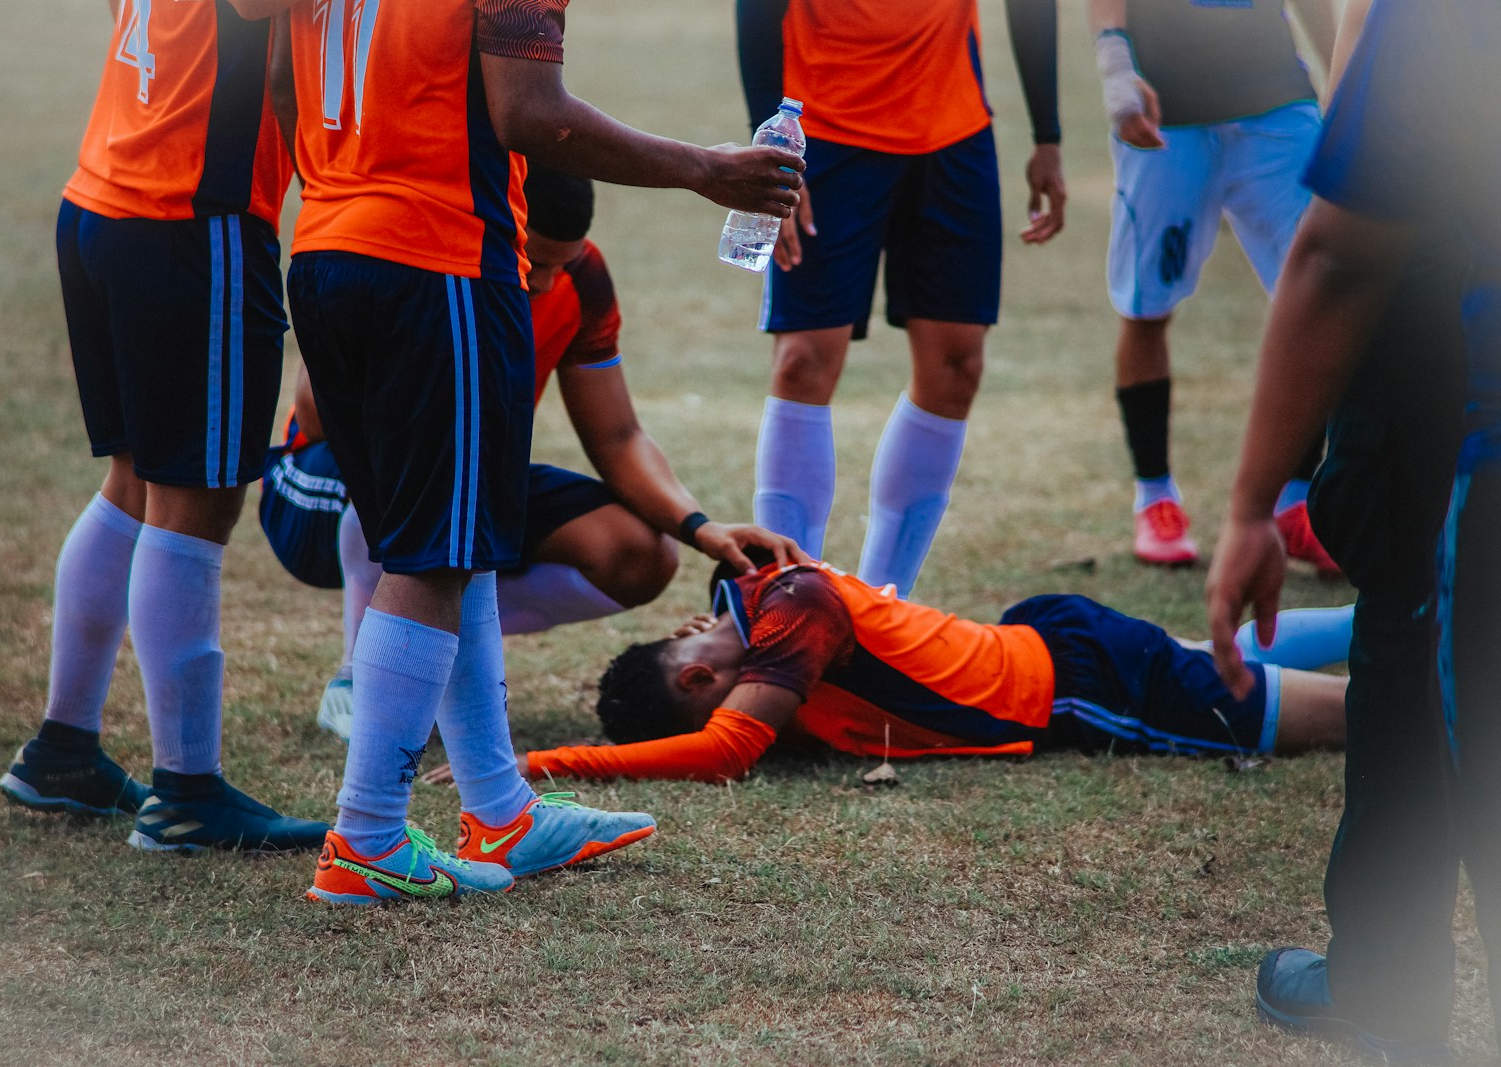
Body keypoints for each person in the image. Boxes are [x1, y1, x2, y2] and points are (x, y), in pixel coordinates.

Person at [239, 0, 806, 906]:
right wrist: (707, 169)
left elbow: (273, 67)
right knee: (437, 554)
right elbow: (533, 115)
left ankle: (500, 808)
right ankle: (369, 840)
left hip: (328, 247)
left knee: (440, 547)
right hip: (439, 260)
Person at [259, 164, 806, 740]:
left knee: (637, 551)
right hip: (323, 488)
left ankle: (437, 651)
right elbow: (319, 413)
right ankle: (361, 677)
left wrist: (700, 528)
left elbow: (618, 437)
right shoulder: (426, 250)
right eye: (534, 261)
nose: (546, 283)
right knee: (420, 470)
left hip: (464, 482)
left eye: (560, 264)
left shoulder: (582, 279)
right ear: (497, 224)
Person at [1204, 0, 1500, 1056]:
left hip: (1448, 345)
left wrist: (1248, 505)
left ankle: (1386, 979)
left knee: (1412, 629)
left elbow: (1340, 251)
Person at [0, 0, 328, 854]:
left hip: (104, 195)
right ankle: (186, 791)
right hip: (188, 218)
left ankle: (62, 749)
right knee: (196, 503)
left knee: (136, 482)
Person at [423, 559, 1352, 786]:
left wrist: (541, 764)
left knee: (1312, 714)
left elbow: (725, 753)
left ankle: (1437, 684)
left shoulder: (791, 618)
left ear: (700, 674)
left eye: (701, 676)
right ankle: (1382, 621)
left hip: (1079, 685)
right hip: (1050, 644)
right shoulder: (764, 607)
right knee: (1203, 656)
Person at [738, 0, 1069, 600]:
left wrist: (1048, 136)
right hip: (825, 129)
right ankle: (785, 611)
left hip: (952, 128)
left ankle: (884, 611)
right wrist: (773, 146)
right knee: (803, 361)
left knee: (956, 366)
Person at [1085, 0, 1340, 570]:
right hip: (1165, 111)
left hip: (1277, 103)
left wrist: (1344, 84)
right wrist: (1114, 62)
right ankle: (1154, 496)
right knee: (1148, 308)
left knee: (1327, 299)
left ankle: (1298, 501)